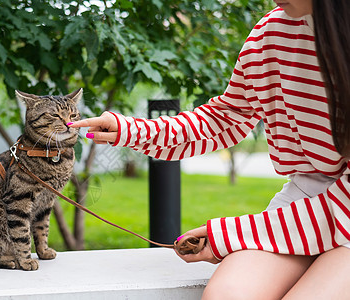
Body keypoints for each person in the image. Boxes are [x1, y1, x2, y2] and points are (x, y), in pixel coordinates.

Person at [69, 0, 350, 298]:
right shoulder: (271, 33)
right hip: (305, 198)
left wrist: (228, 236)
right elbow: (227, 117)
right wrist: (131, 130)